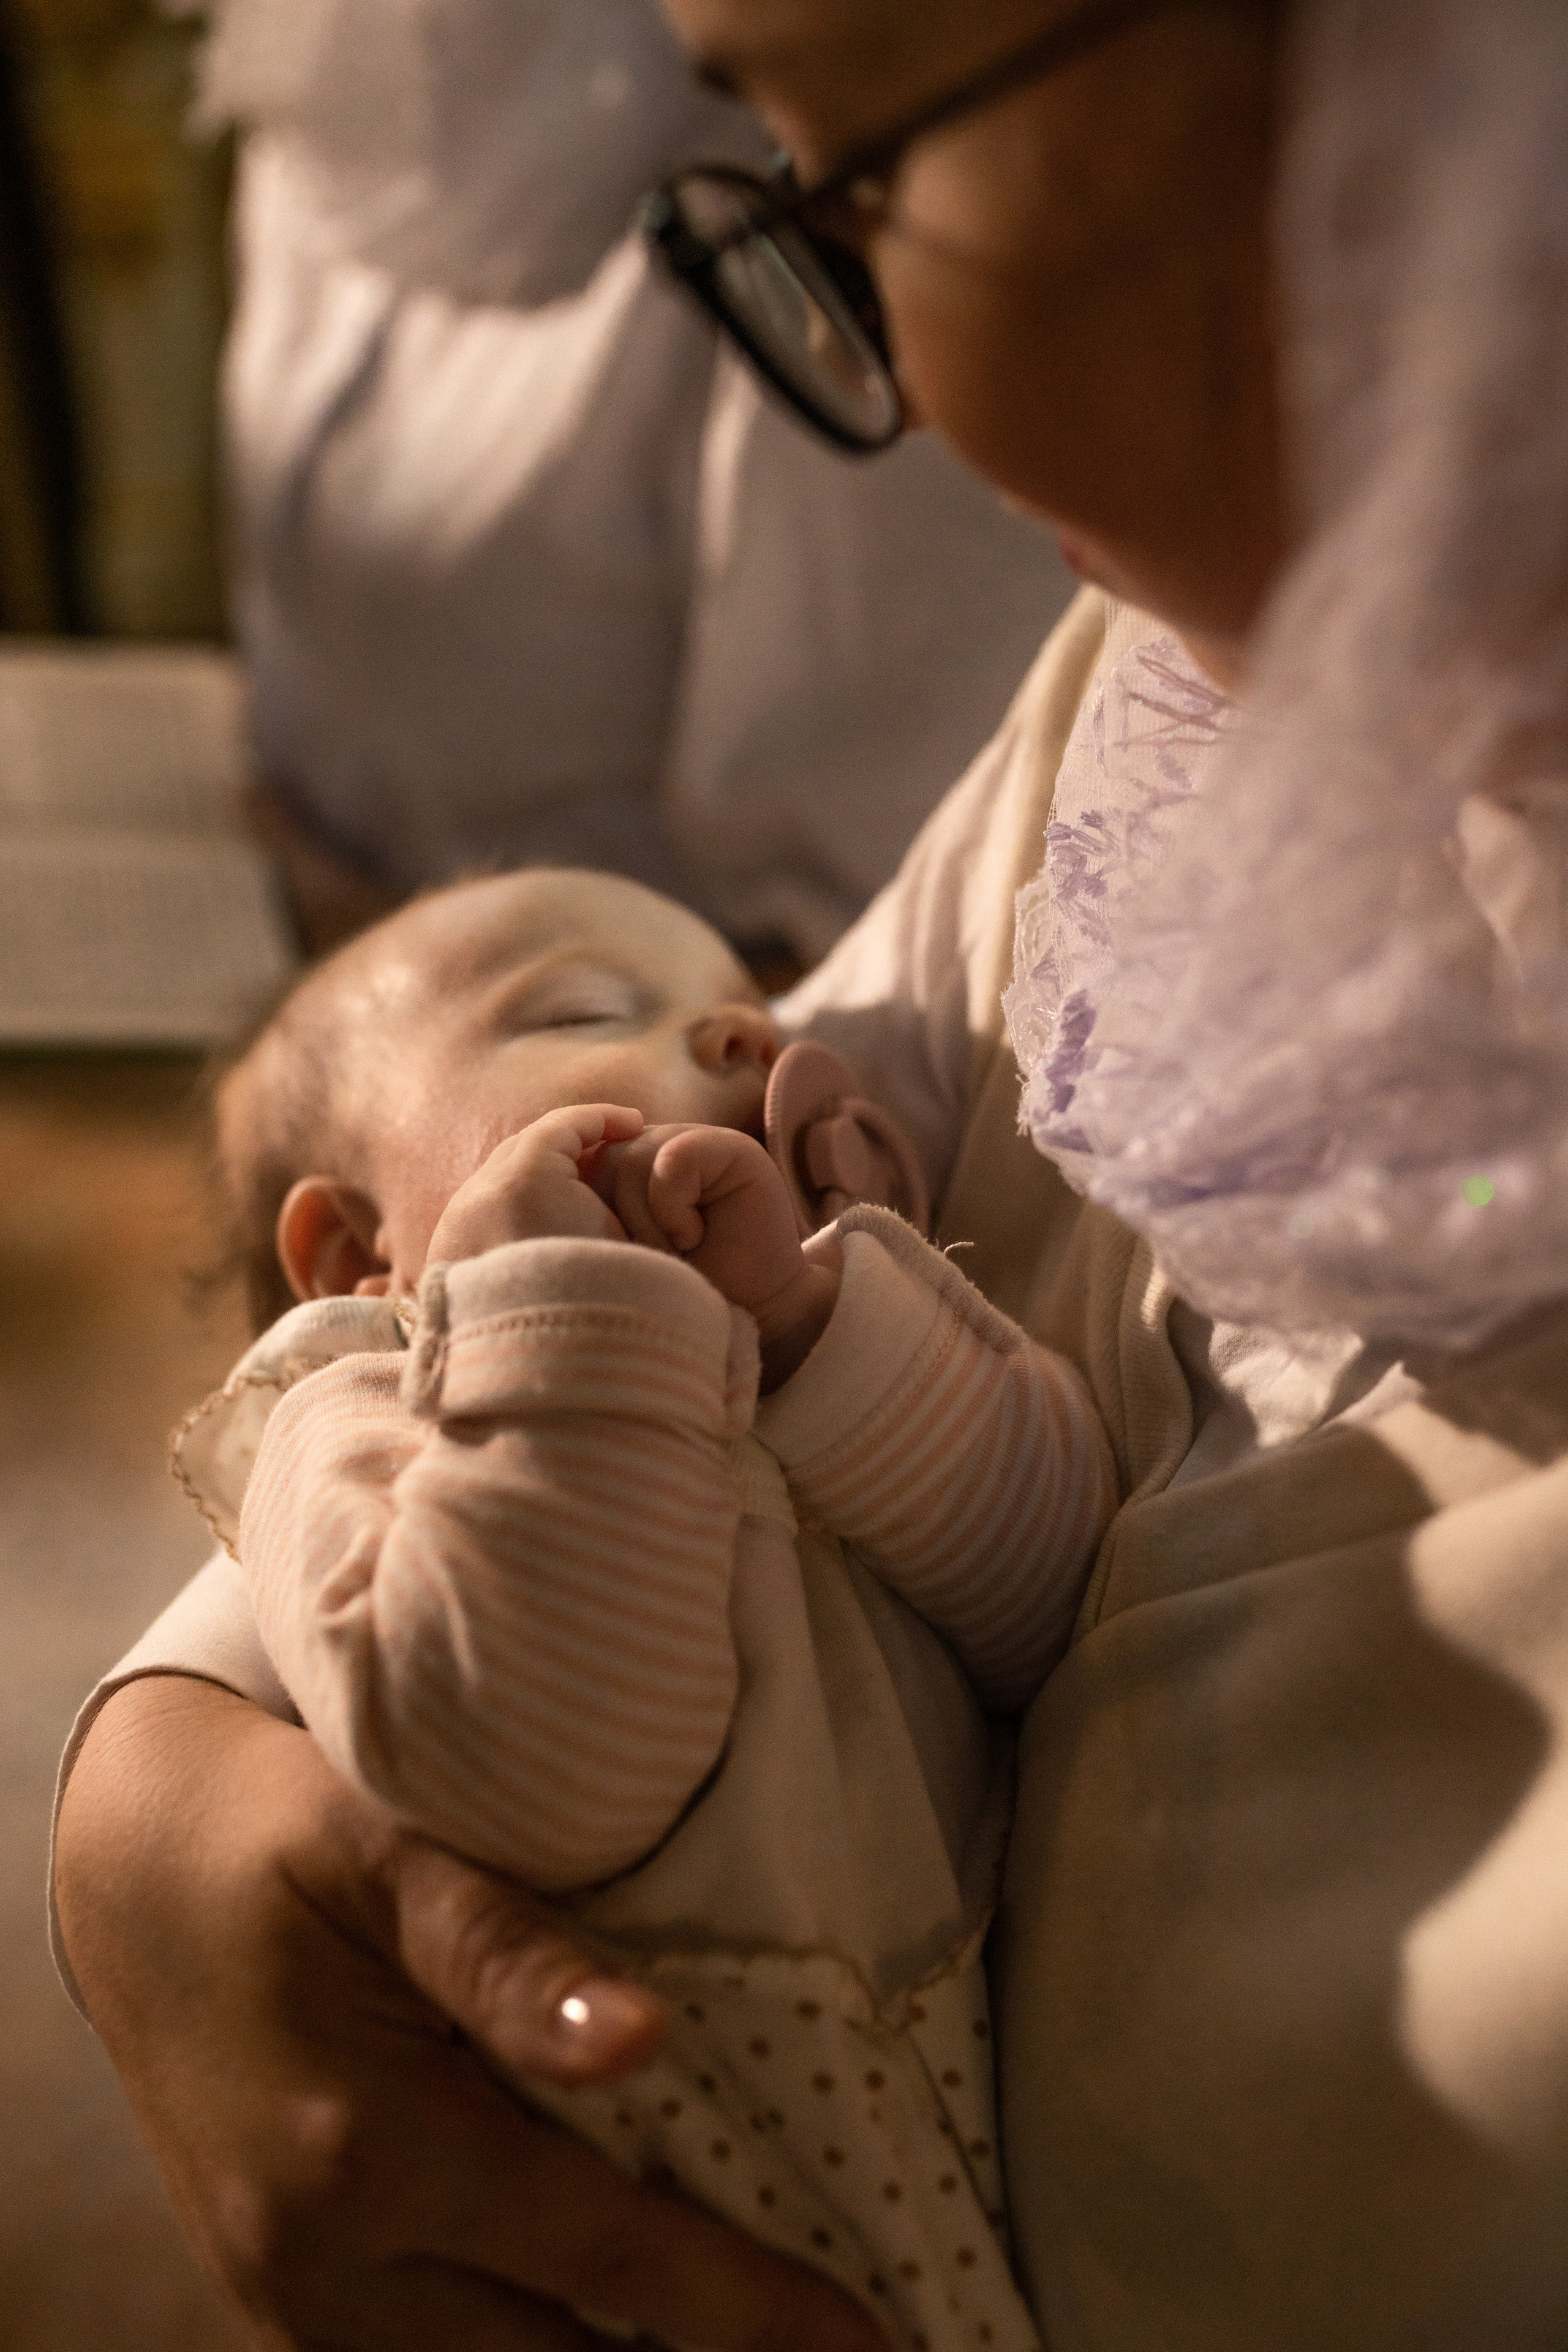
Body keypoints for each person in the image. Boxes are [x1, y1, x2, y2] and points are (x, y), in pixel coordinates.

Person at [53, 1, 1568, 2347]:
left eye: (855, 171)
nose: (898, 403)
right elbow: (491, 1257)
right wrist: (154, 1787)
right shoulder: (1179, 694)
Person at [172, 864, 1114, 2352]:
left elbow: (1057, 1601)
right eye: (586, 1012)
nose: (744, 1039)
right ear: (358, 1256)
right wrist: (565, 1302)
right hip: (675, 2184)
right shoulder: (345, 1425)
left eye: (748, 1014)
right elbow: (539, 1774)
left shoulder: (817, 1360)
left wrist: (817, 1331)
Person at [205, 0, 1075, 962]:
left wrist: (352, 972)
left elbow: (900, 965)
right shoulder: (349, 71)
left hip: (537, 1029)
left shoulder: (831, 178)